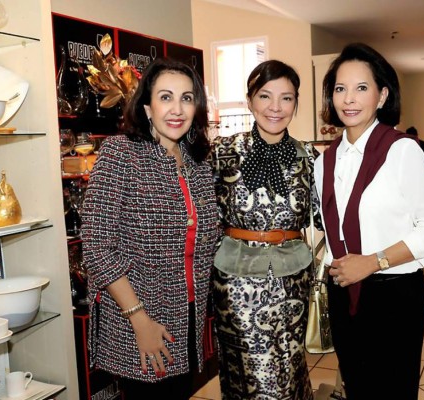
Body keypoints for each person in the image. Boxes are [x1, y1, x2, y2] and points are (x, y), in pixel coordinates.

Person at [314, 42, 424, 400]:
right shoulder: (324, 162)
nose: (349, 99)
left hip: (393, 294)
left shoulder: (401, 150)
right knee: (358, 389)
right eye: (340, 89)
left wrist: (373, 262)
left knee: (393, 391)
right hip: (343, 292)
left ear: (382, 94)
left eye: (362, 88)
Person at [81, 58, 219, 400]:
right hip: (139, 318)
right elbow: (97, 247)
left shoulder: (197, 161)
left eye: (187, 98)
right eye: (166, 97)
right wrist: (139, 320)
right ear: (147, 107)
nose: (177, 109)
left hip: (187, 315)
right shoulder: (121, 154)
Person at [210, 59, 321, 400]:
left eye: (286, 98)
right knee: (246, 375)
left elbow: (328, 218)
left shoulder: (309, 157)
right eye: (265, 96)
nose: (276, 107)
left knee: (288, 369)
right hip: (234, 282)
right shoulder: (222, 152)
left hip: (294, 280)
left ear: (296, 103)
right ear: (249, 100)